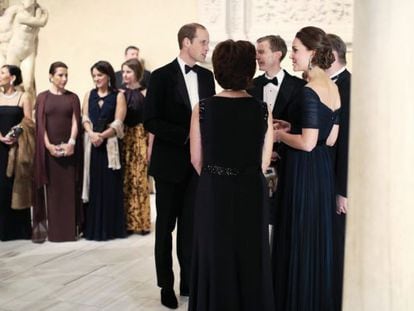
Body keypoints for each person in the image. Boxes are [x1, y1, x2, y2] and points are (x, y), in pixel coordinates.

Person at [188, 39, 274, 311]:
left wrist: (217, 176)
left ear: (218, 70)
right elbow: (263, 162)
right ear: (249, 71)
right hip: (251, 189)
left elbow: (196, 159)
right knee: (250, 256)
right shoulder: (262, 109)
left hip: (214, 190)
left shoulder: (202, 108)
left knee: (215, 255)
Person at [144, 23, 215, 309]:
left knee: (191, 227)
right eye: (203, 42)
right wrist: (187, 135)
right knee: (165, 229)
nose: (206, 47)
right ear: (186, 42)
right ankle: (165, 285)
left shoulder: (208, 77)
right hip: (169, 165)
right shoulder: (161, 77)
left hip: (197, 167)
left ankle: (189, 280)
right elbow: (151, 120)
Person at [272, 26, 341, 311]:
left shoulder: (310, 89)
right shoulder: (333, 86)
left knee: (299, 235)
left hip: (304, 171)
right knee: (315, 237)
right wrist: (293, 127)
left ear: (312, 53)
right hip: (323, 170)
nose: (292, 55)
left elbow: (308, 142)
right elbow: (330, 137)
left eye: (296, 49)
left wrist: (278, 136)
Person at [248, 34, 305, 230]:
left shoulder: (300, 87)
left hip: (288, 162)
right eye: (257, 52)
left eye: (261, 51)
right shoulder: (250, 86)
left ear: (278, 54)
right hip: (256, 164)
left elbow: (300, 127)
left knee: (285, 221)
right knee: (256, 219)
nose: (257, 56)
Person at [32, 61, 83, 243]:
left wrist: (71, 143)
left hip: (69, 150)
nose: (64, 78)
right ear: (50, 76)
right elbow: (41, 125)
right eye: (60, 75)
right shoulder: (42, 98)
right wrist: (48, 146)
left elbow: (76, 121)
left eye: (66, 75)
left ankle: (70, 232)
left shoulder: (73, 98)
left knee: (69, 190)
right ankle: (55, 233)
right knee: (53, 192)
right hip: (50, 152)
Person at [82, 60, 127, 241]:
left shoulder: (118, 96)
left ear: (108, 76)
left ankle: (110, 229)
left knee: (109, 187)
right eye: (94, 75)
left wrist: (102, 136)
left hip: (109, 148)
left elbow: (118, 123)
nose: (96, 79)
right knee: (93, 187)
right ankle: (93, 229)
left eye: (100, 75)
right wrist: (92, 134)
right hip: (92, 147)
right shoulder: (88, 95)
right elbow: (85, 117)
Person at [326, 33, 351, 311]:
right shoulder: (324, 85)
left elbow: (348, 143)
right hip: (323, 175)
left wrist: (342, 189)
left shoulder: (349, 86)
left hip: (338, 179)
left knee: (340, 244)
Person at [0, 64, 33, 241]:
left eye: (3, 73)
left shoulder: (23, 97)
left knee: (16, 186)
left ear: (12, 78)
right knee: (1, 187)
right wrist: (1, 137)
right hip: (0, 146)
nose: (0, 75)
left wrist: (14, 134)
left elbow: (28, 121)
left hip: (16, 147)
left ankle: (19, 230)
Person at [120, 58, 151, 234]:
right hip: (124, 136)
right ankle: (126, 222)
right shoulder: (120, 93)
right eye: (123, 71)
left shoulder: (146, 93)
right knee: (125, 179)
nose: (124, 75)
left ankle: (141, 222)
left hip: (140, 136)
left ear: (137, 73)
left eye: (128, 72)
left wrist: (149, 146)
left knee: (139, 180)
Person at [0, 0, 48, 96]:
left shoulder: (34, 13)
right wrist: (45, 13)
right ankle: (14, 105)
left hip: (28, 52)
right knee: (11, 83)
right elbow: (41, 22)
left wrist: (40, 10)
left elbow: (38, 24)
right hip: (14, 51)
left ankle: (30, 107)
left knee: (28, 84)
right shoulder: (19, 15)